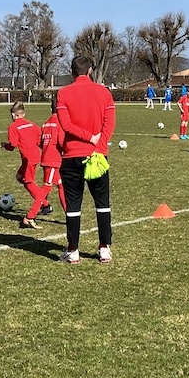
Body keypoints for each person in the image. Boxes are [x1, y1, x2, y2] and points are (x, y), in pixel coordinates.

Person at [56, 56, 116, 264]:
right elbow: (109, 123)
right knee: (102, 203)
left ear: (72, 72)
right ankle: (104, 248)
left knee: (73, 205)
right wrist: (97, 143)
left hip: (72, 156)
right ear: (90, 70)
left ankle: (73, 250)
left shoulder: (63, 93)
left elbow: (65, 125)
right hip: (97, 156)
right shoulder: (104, 92)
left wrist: (88, 138)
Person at [1, 101, 46, 228]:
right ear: (23, 114)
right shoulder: (32, 124)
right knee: (20, 177)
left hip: (28, 159)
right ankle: (44, 203)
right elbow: (40, 139)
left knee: (28, 181)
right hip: (35, 155)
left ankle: (45, 204)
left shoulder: (13, 127)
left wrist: (5, 145)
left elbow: (13, 145)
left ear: (13, 114)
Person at [30, 97, 66, 222]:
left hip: (47, 157)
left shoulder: (45, 124)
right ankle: (31, 214)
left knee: (61, 185)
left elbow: (39, 141)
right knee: (47, 187)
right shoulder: (60, 123)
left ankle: (68, 213)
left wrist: (46, 147)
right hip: (53, 160)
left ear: (51, 109)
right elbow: (62, 142)